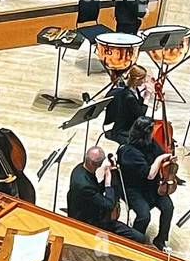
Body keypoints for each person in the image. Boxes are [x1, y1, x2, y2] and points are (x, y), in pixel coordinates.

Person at [67, 146, 147, 246]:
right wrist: (108, 184)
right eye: (101, 162)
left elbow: (95, 191)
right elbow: (109, 205)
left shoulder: (79, 169)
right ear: (93, 163)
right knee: (140, 238)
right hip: (90, 222)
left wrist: (108, 177)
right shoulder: (84, 186)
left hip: (87, 209)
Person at [117, 116, 174, 250]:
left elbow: (161, 157)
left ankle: (160, 239)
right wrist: (160, 158)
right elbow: (149, 174)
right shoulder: (128, 152)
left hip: (152, 186)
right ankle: (135, 241)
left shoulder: (150, 143)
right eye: (151, 131)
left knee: (168, 207)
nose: (153, 133)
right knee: (144, 215)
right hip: (133, 189)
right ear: (145, 133)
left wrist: (168, 161)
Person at [103, 65, 149, 145]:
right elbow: (140, 114)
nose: (144, 81)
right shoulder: (128, 96)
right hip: (124, 130)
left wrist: (143, 96)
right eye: (143, 79)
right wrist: (147, 99)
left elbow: (138, 105)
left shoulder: (134, 89)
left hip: (131, 124)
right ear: (136, 80)